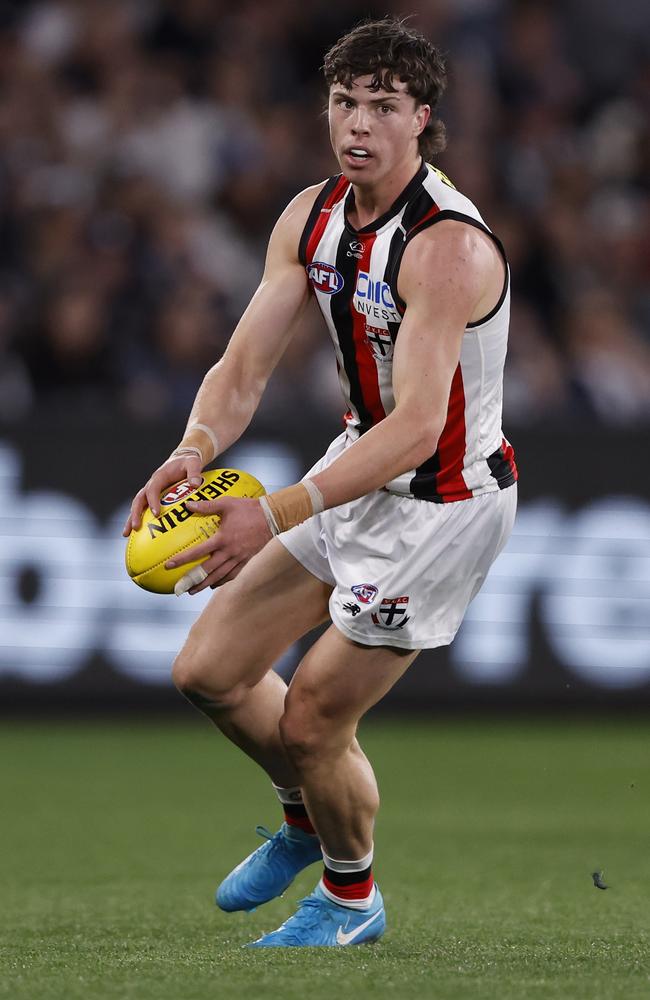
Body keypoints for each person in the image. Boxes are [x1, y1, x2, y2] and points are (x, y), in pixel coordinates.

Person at [123, 17, 517, 948]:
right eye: (345, 101)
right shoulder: (312, 214)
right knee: (209, 674)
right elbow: (244, 363)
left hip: (442, 504)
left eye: (383, 106)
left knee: (310, 720)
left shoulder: (446, 248)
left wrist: (277, 511)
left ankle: (351, 898)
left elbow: (421, 426)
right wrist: (193, 445)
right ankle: (308, 822)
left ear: (422, 118)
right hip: (356, 468)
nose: (358, 124)